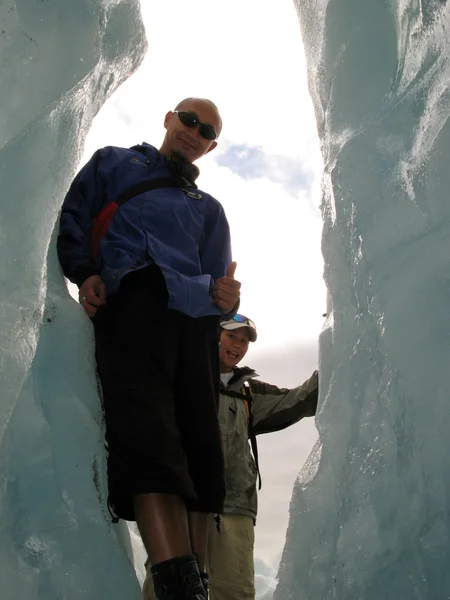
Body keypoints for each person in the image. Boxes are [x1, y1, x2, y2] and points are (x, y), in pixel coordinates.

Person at [57, 98, 241, 600]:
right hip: (135, 302)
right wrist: (85, 270)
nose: (194, 132)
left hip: (197, 324)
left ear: (211, 146)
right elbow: (74, 215)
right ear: (168, 118)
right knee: (148, 433)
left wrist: (229, 299)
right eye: (189, 119)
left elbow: (221, 283)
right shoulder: (115, 162)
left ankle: (194, 584)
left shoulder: (210, 209)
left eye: (206, 130)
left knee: (201, 450)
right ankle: (175, 582)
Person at [208, 314, 318, 600]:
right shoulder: (183, 376)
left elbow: (298, 400)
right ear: (213, 334)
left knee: (234, 592)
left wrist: (336, 357)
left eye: (244, 341)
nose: (238, 345)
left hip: (234, 506)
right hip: (186, 503)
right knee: (169, 588)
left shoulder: (248, 392)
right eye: (231, 336)